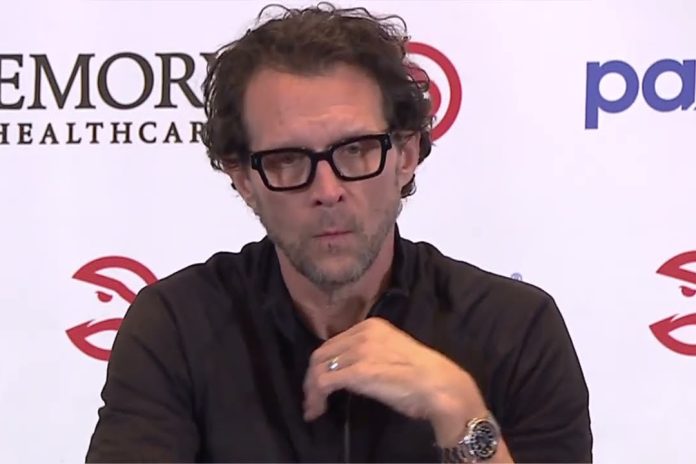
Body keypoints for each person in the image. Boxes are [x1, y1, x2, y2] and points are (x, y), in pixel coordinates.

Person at [85, 3, 592, 463]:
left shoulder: (515, 328)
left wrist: (459, 411)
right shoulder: (177, 326)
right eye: (288, 160)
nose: (327, 191)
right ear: (244, 180)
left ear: (405, 156)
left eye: (355, 151)